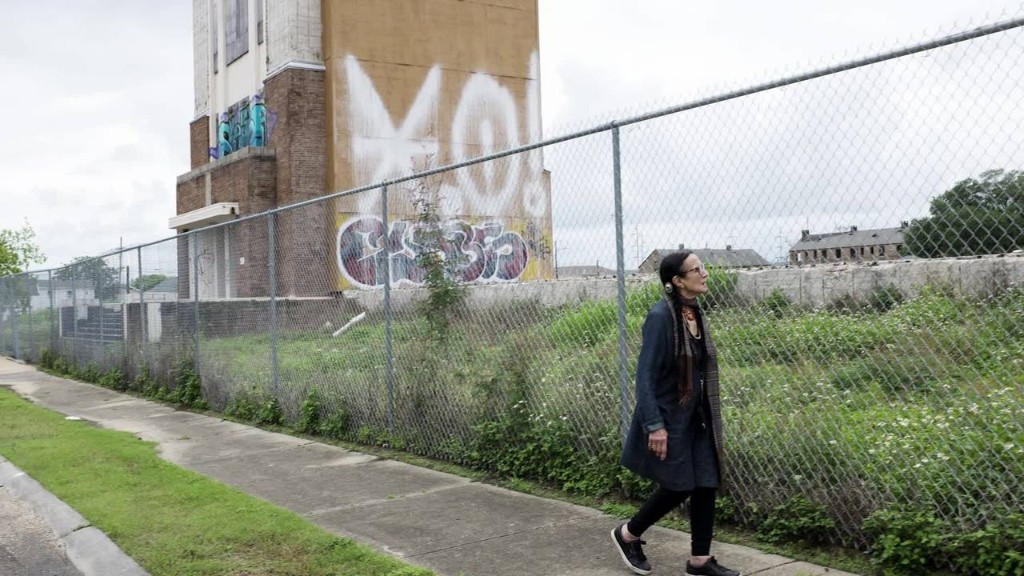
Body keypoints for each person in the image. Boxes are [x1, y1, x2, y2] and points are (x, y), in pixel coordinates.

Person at [610, 251, 740, 576]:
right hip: (670, 417)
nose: (705, 273)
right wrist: (655, 425)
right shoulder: (660, 317)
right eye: (696, 269)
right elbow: (645, 376)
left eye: (703, 267)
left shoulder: (694, 313)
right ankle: (628, 533)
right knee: (679, 485)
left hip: (697, 417)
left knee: (706, 483)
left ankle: (699, 561)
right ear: (678, 281)